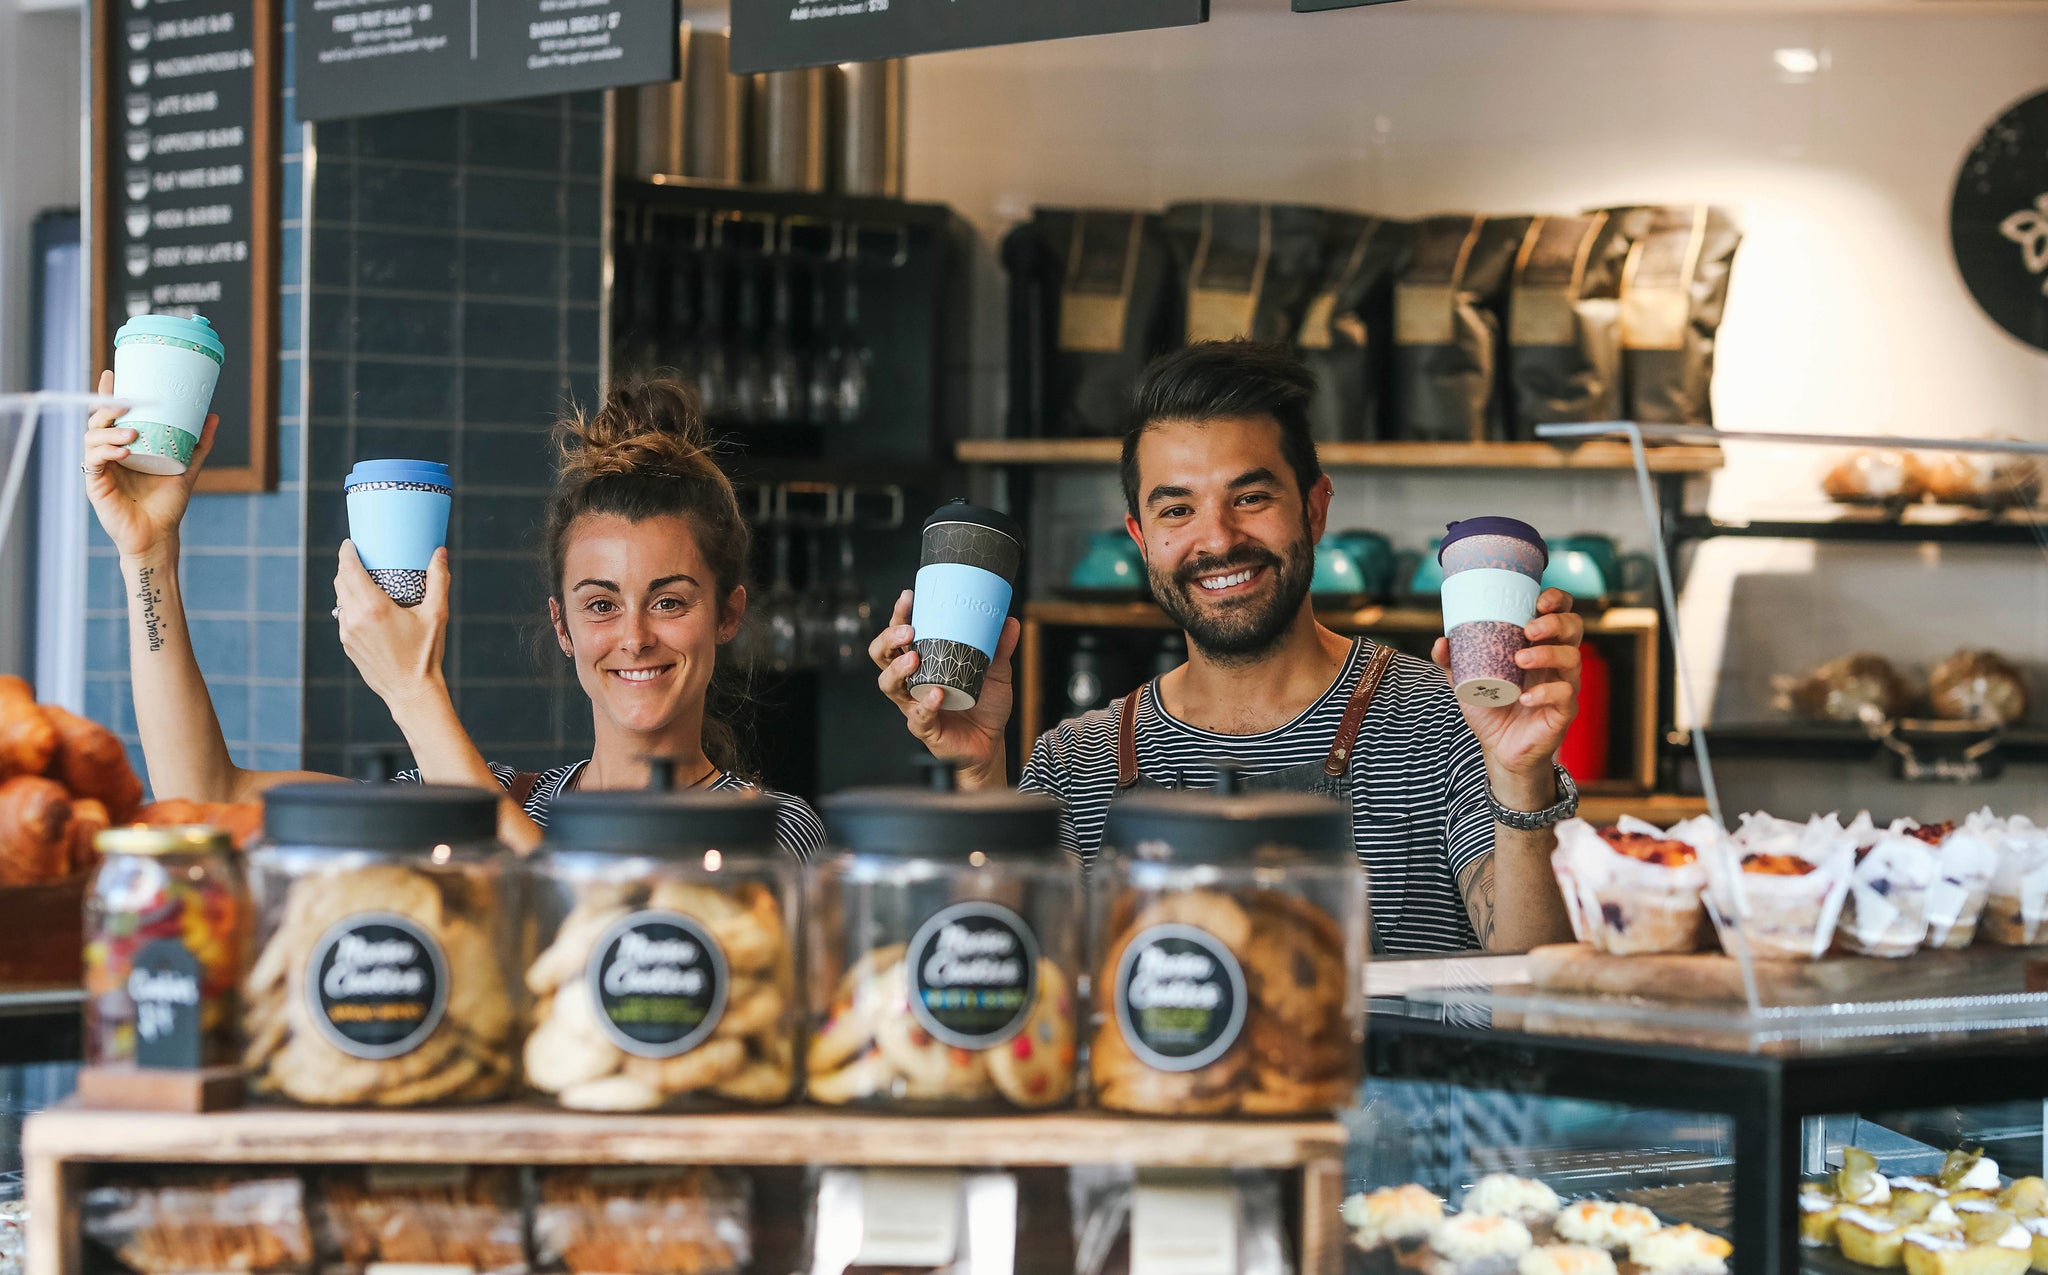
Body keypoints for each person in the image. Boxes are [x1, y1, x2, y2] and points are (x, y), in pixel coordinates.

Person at [872, 341, 1579, 953]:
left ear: (1315, 507)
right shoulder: (1073, 765)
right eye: (1177, 509)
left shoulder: (1447, 723)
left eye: (1250, 497)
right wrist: (975, 773)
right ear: (1142, 538)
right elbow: (1008, 981)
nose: (1216, 539)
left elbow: (1536, 981)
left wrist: (1520, 773)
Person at [81, 372, 823, 857]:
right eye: (600, 603)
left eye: (669, 600)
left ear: (727, 615)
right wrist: (149, 556)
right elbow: (204, 794)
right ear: (562, 627)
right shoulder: (487, 792)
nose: (633, 636)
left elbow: (577, 922)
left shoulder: (772, 831)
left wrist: (413, 691)